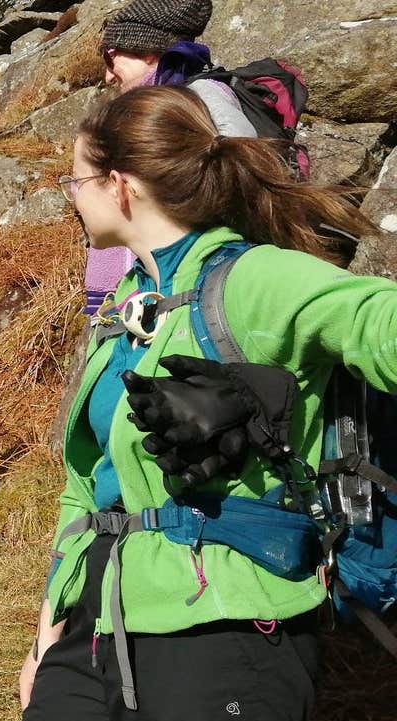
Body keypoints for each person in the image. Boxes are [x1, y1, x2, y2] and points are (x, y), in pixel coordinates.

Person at [21, 85, 380, 720]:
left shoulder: (251, 280)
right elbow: (85, 484)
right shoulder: (123, 309)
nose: (71, 196)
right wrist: (50, 634)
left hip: (227, 621)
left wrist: (277, 397)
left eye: (75, 180)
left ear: (120, 185)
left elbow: (382, 324)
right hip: (98, 627)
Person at [84, 0, 257, 315]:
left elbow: (244, 182)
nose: (108, 77)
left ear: (148, 51)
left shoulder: (203, 97)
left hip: (198, 290)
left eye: (111, 59)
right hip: (162, 287)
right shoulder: (154, 107)